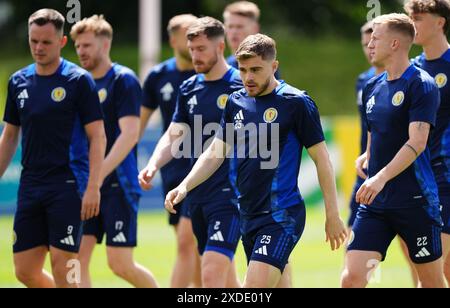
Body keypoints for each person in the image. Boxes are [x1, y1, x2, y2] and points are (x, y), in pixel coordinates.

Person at [165, 33, 347, 288]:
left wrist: (333, 214)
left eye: (256, 70)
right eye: (242, 69)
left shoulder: (296, 102)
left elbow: (322, 159)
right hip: (247, 215)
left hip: (280, 215)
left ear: (274, 66)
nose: (248, 77)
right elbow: (215, 152)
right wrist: (185, 185)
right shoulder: (235, 102)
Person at [0, 9, 106, 288]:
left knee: (65, 269)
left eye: (46, 42)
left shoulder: (78, 81)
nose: (38, 47)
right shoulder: (18, 82)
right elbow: (9, 136)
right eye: (33, 40)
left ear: (60, 42)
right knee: (24, 270)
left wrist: (94, 186)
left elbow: (97, 136)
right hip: (31, 184)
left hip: (68, 185)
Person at [341, 13, 445, 288]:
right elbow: (375, 133)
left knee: (432, 281)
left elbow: (417, 142)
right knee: (351, 279)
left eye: (376, 38)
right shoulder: (372, 86)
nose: (370, 44)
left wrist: (380, 177)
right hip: (376, 203)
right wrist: (367, 155)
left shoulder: (421, 84)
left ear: (396, 44)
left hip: (415, 201)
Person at [139, 17, 242, 288]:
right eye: (192, 48)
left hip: (231, 194)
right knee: (224, 277)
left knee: (210, 273)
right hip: (196, 194)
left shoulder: (241, 86)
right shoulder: (189, 88)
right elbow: (174, 134)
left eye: (201, 49)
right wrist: (153, 164)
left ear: (221, 47)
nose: (194, 55)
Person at [71, 15, 158, 288]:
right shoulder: (78, 83)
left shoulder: (123, 80)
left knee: (119, 264)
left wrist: (96, 177)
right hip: (87, 186)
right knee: (76, 258)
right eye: (77, 46)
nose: (81, 51)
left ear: (105, 44)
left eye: (87, 45)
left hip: (117, 184)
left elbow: (130, 135)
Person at [140, 14, 201, 288]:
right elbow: (138, 125)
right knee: (190, 243)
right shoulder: (158, 76)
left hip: (209, 167)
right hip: (174, 168)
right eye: (187, 35)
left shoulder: (211, 73)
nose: (193, 43)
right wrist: (135, 163)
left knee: (190, 242)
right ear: (173, 39)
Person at [405, 0, 450, 286]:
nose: (412, 25)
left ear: (440, 22)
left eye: (418, 18)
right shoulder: (411, 70)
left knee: (431, 273)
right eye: (410, 18)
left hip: (446, 176)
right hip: (418, 177)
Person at [223, 1, 281, 79]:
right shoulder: (224, 67)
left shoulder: (264, 65)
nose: (234, 32)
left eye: (239, 27)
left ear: (255, 28)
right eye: (230, 26)